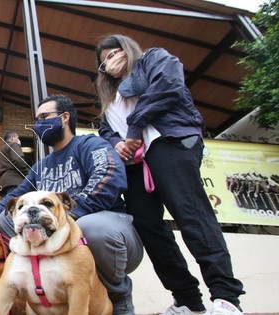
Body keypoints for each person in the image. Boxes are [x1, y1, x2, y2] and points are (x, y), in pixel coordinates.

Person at [94, 34, 245, 315]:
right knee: (148, 227)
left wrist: (135, 128)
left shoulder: (155, 58)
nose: (110, 61)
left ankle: (226, 297)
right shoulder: (108, 95)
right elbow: (104, 128)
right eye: (104, 61)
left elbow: (169, 87)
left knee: (191, 216)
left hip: (170, 144)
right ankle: (188, 299)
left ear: (128, 49)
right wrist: (116, 141)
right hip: (136, 164)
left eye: (114, 53)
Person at [0, 94, 144, 315]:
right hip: (59, 242)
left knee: (90, 228)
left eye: (44, 116)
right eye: (36, 120)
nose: (38, 124)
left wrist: (70, 216)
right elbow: (19, 194)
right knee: (4, 219)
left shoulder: (91, 144)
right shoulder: (42, 166)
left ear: (65, 117)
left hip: (111, 232)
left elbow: (110, 175)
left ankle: (120, 300)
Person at [0, 130, 30, 198]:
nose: (18, 140)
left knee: (7, 207)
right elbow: (18, 160)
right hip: (15, 182)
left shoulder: (0, 152)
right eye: (17, 138)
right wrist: (28, 174)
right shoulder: (13, 145)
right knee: (17, 206)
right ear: (12, 138)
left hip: (3, 185)